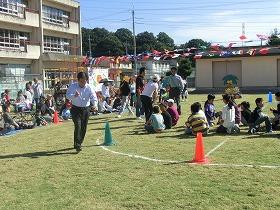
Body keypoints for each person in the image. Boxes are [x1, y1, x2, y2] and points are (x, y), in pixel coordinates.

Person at [66, 72, 98, 152]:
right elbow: (67, 96)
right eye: (81, 81)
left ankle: (79, 142)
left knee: (84, 127)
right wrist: (74, 96)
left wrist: (95, 105)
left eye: (85, 81)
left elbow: (93, 97)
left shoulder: (89, 87)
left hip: (86, 109)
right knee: (78, 126)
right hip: (75, 109)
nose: (83, 83)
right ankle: (77, 145)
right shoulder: (73, 86)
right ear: (78, 80)